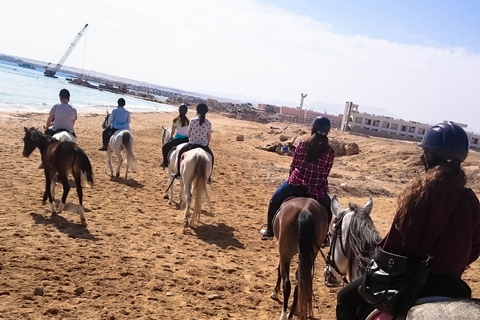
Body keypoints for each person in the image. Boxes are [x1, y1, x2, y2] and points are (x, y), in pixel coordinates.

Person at [336, 121, 480, 320]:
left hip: (411, 282)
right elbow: (476, 245)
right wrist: (453, 265)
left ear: (431, 158)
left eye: (426, 153)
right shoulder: (471, 199)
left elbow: (396, 244)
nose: (422, 157)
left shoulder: (418, 194)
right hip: (453, 284)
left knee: (345, 297)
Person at [261, 116, 335, 241]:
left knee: (274, 200)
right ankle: (324, 238)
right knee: (328, 209)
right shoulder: (330, 152)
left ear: (313, 128)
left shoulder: (302, 144)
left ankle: (269, 231)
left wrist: (292, 178)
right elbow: (326, 173)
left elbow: (293, 165)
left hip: (296, 185)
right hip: (317, 190)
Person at [173, 103, 214, 182]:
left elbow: (189, 134)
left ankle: (178, 172)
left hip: (192, 144)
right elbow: (209, 136)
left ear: (197, 110)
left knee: (180, 152)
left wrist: (192, 139)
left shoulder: (192, 120)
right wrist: (207, 143)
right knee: (211, 157)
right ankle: (209, 176)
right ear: (206, 112)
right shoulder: (209, 123)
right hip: (203, 145)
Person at [161, 104, 190, 169]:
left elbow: (173, 131)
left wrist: (171, 137)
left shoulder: (175, 120)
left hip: (178, 139)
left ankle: (165, 162)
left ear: (179, 110)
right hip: (187, 139)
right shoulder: (188, 121)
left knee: (164, 147)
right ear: (186, 111)